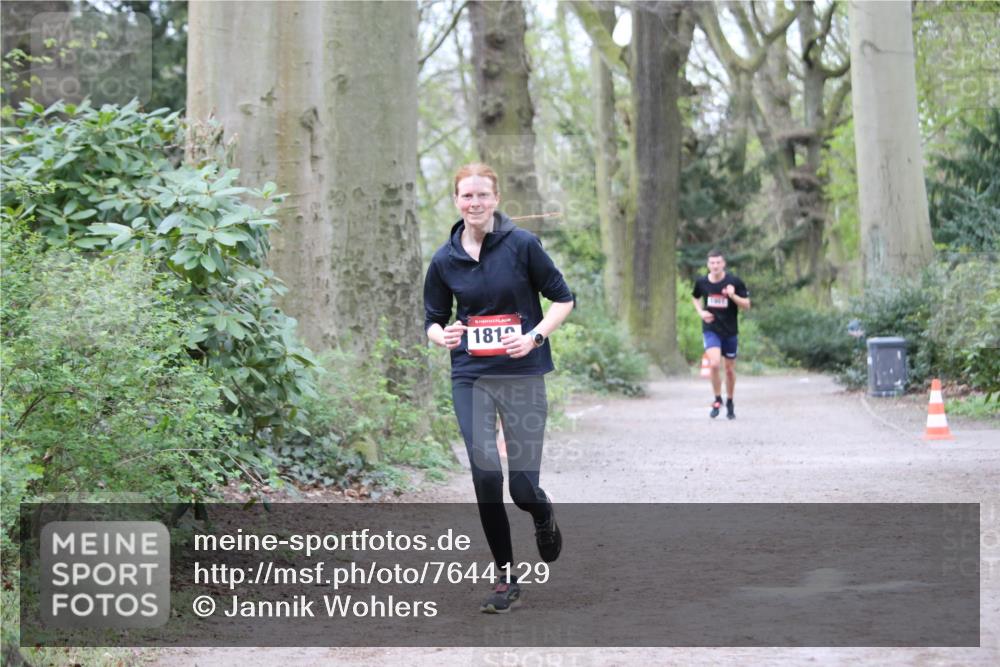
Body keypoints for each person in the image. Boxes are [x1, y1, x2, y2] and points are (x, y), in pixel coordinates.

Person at [423, 163, 575, 613]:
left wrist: (534, 336)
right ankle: (506, 578)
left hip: (522, 373)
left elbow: (563, 299)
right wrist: (443, 336)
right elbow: (433, 320)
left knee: (522, 489)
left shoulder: (523, 245)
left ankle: (542, 511)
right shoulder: (444, 259)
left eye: (482, 195)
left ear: (496, 199)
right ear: (456, 201)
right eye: (467, 196)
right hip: (471, 376)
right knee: (486, 474)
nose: (475, 203)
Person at [691, 249, 751, 419]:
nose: (715, 266)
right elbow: (695, 297)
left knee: (729, 370)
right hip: (711, 329)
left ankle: (730, 400)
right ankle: (717, 399)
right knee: (715, 363)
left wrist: (733, 295)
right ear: (708, 264)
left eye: (718, 262)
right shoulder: (702, 282)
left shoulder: (734, 282)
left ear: (723, 264)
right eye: (712, 263)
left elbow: (747, 305)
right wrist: (701, 312)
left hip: (730, 331)